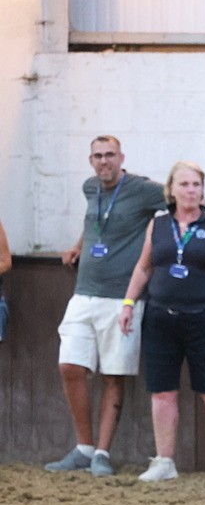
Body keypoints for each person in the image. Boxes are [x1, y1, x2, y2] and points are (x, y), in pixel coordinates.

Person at [117, 161, 205, 483]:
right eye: (184, 184)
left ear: (203, 191)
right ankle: (164, 461)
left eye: (196, 185)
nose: (191, 190)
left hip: (204, 316)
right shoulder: (158, 224)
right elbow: (144, 267)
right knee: (162, 392)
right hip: (161, 317)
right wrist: (128, 302)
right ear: (171, 190)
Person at [47, 135, 166, 477]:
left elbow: (177, 201)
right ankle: (83, 448)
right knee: (70, 366)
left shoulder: (144, 190)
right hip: (84, 292)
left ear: (121, 157)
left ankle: (101, 452)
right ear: (90, 161)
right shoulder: (90, 188)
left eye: (110, 155)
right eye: (98, 156)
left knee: (114, 374)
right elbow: (96, 222)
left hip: (121, 296)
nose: (104, 161)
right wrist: (77, 245)